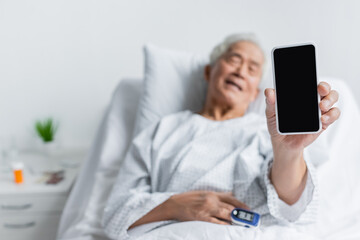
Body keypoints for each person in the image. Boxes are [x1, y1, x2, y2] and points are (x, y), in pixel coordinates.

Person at [102, 34, 340, 240]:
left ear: (255, 92)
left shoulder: (266, 131)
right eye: (233, 59)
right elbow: (115, 214)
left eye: (252, 69)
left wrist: (288, 151)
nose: (240, 71)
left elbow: (292, 207)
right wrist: (175, 205)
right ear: (209, 71)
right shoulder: (161, 131)